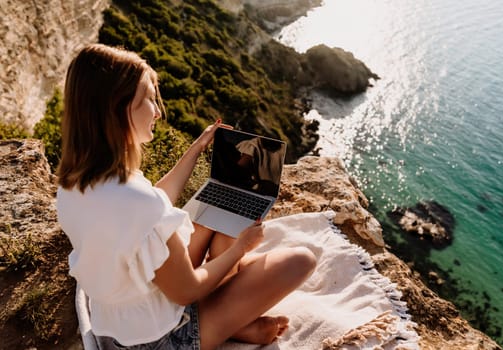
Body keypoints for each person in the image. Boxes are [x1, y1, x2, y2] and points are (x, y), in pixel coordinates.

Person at [56, 43, 316, 350]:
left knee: (211, 221)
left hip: (122, 322)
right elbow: (187, 291)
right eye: (147, 100)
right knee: (300, 260)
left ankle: (234, 302)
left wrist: (196, 149)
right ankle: (234, 321)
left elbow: (150, 209)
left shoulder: (76, 182)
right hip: (162, 340)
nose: (157, 110)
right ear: (116, 110)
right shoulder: (138, 203)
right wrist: (240, 248)